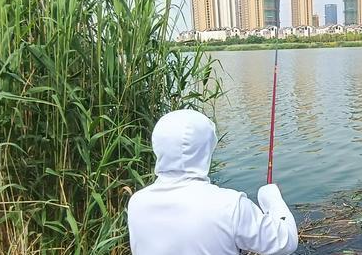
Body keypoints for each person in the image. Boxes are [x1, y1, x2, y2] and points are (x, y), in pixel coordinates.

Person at [127, 109, 298, 255]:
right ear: (207, 148)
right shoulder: (230, 205)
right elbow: (287, 242)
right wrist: (272, 199)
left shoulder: (137, 203)